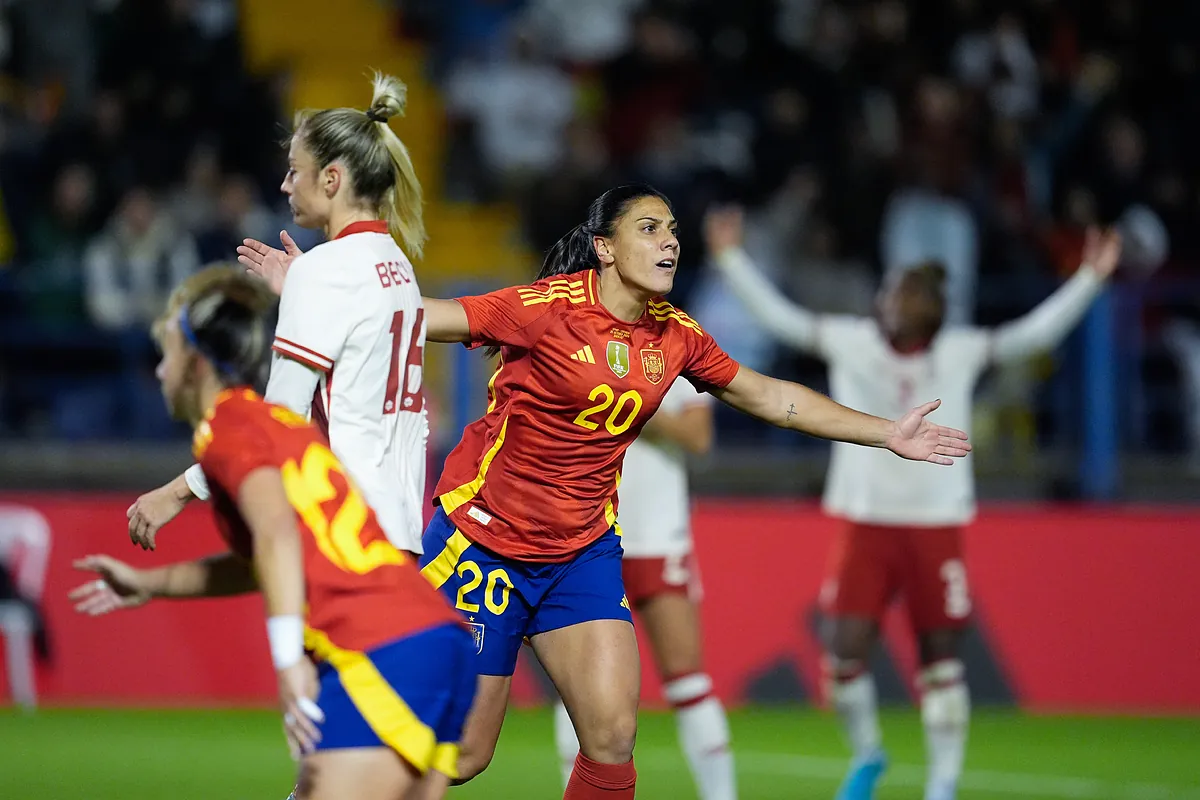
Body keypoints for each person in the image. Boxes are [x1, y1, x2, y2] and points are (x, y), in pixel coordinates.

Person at [241, 183, 971, 799]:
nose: (671, 243)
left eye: (674, 232)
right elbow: (417, 317)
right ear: (605, 246)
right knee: (462, 757)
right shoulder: (543, 307)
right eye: (649, 229)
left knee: (614, 734)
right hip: (482, 544)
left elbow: (772, 397)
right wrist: (313, 289)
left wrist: (887, 432)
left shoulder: (677, 336)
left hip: (580, 553)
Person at [704, 207, 1121, 800]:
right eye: (890, 293)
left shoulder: (960, 350)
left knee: (940, 661)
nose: (891, 303)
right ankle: (869, 755)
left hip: (935, 524)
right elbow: (784, 321)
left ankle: (943, 782)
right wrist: (731, 259)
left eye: (903, 295)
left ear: (929, 310)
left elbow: (1035, 334)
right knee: (842, 655)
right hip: (866, 521)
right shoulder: (852, 342)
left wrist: (1089, 278)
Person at [68, 267, 475, 800]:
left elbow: (277, 535)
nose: (160, 373)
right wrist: (151, 584)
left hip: (380, 649)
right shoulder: (278, 426)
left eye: (166, 355)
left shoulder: (225, 430)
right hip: (433, 638)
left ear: (194, 363)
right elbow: (266, 556)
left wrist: (288, 667)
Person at [125, 72, 431, 558]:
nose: (285, 184)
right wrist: (300, 294)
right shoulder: (396, 267)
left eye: (294, 170)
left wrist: (178, 491)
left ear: (331, 179)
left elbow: (279, 423)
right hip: (399, 530)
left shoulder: (324, 272)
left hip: (342, 531)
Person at [551, 376, 737, 799]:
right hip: (587, 539)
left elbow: (699, 437)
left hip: (658, 538)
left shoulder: (676, 358)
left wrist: (634, 404)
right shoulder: (581, 354)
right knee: (578, 685)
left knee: (687, 679)